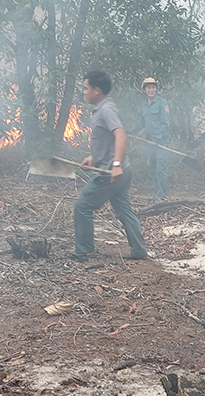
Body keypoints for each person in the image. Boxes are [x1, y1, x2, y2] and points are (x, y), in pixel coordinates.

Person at [74, 70, 147, 261]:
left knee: (82, 207)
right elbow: (107, 139)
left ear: (97, 90)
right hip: (118, 170)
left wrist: (115, 164)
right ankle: (139, 251)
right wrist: (93, 157)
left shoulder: (106, 110)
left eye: (86, 88)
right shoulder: (103, 108)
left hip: (109, 173)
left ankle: (84, 251)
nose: (84, 92)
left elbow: (120, 135)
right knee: (124, 210)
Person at [130, 77, 173, 201]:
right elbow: (142, 122)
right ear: (144, 90)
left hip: (162, 142)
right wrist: (131, 131)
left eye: (153, 87)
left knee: (161, 167)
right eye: (149, 87)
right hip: (150, 142)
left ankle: (161, 195)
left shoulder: (162, 103)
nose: (151, 90)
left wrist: (159, 138)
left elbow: (166, 124)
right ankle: (156, 193)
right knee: (153, 167)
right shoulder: (144, 105)